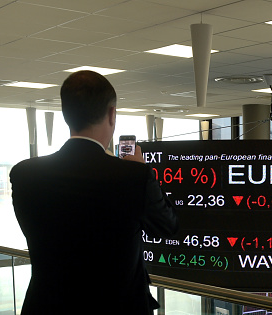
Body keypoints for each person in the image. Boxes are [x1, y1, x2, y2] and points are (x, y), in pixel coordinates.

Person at [10, 70, 178, 314]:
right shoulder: (132, 177)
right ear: (112, 114)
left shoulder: (24, 174)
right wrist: (144, 174)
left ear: (66, 114)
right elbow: (167, 226)